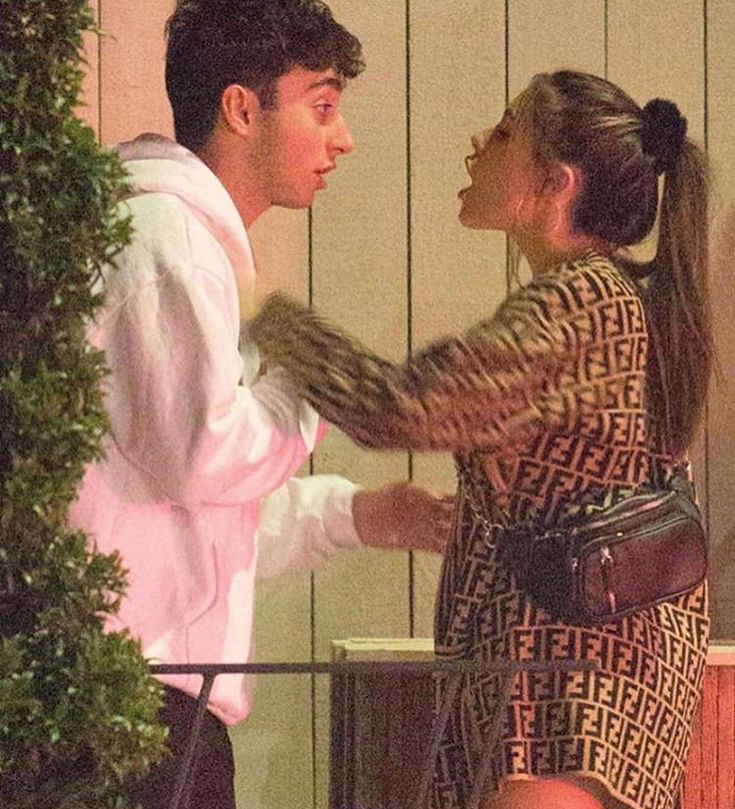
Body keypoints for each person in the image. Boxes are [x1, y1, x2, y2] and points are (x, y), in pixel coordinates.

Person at [248, 70, 712, 809]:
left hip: (564, 707)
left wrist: (266, 316)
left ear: (554, 184)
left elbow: (399, 406)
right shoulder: (619, 299)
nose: (477, 145)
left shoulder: (579, 303)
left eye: (502, 133)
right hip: (584, 695)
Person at [68, 1, 451, 807]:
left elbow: (189, 511)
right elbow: (207, 452)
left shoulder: (177, 239)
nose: (340, 138)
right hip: (128, 702)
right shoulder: (163, 236)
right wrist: (306, 374)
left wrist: (361, 515)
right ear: (242, 108)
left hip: (149, 698)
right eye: (321, 106)